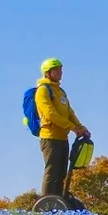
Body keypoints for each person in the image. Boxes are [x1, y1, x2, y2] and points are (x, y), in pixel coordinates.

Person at [34, 57, 90, 199]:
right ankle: (46, 201)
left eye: (61, 69)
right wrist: (71, 127)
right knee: (52, 171)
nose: (60, 72)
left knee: (61, 172)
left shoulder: (61, 92)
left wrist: (80, 127)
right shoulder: (43, 90)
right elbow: (50, 113)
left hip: (62, 137)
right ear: (48, 73)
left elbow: (69, 113)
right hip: (50, 137)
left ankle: (58, 201)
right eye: (57, 70)